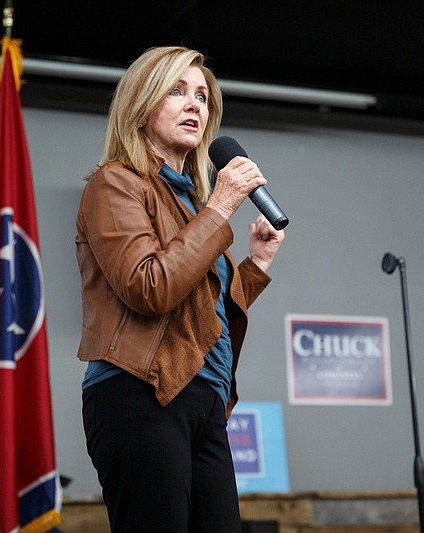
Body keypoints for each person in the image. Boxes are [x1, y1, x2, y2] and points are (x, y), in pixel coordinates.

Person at [76, 45, 285, 533]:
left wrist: (254, 266)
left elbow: (201, 311)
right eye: (177, 91)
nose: (196, 105)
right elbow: (149, 288)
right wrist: (221, 206)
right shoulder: (115, 184)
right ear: (142, 106)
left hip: (206, 399)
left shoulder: (192, 202)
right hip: (140, 392)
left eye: (203, 97)